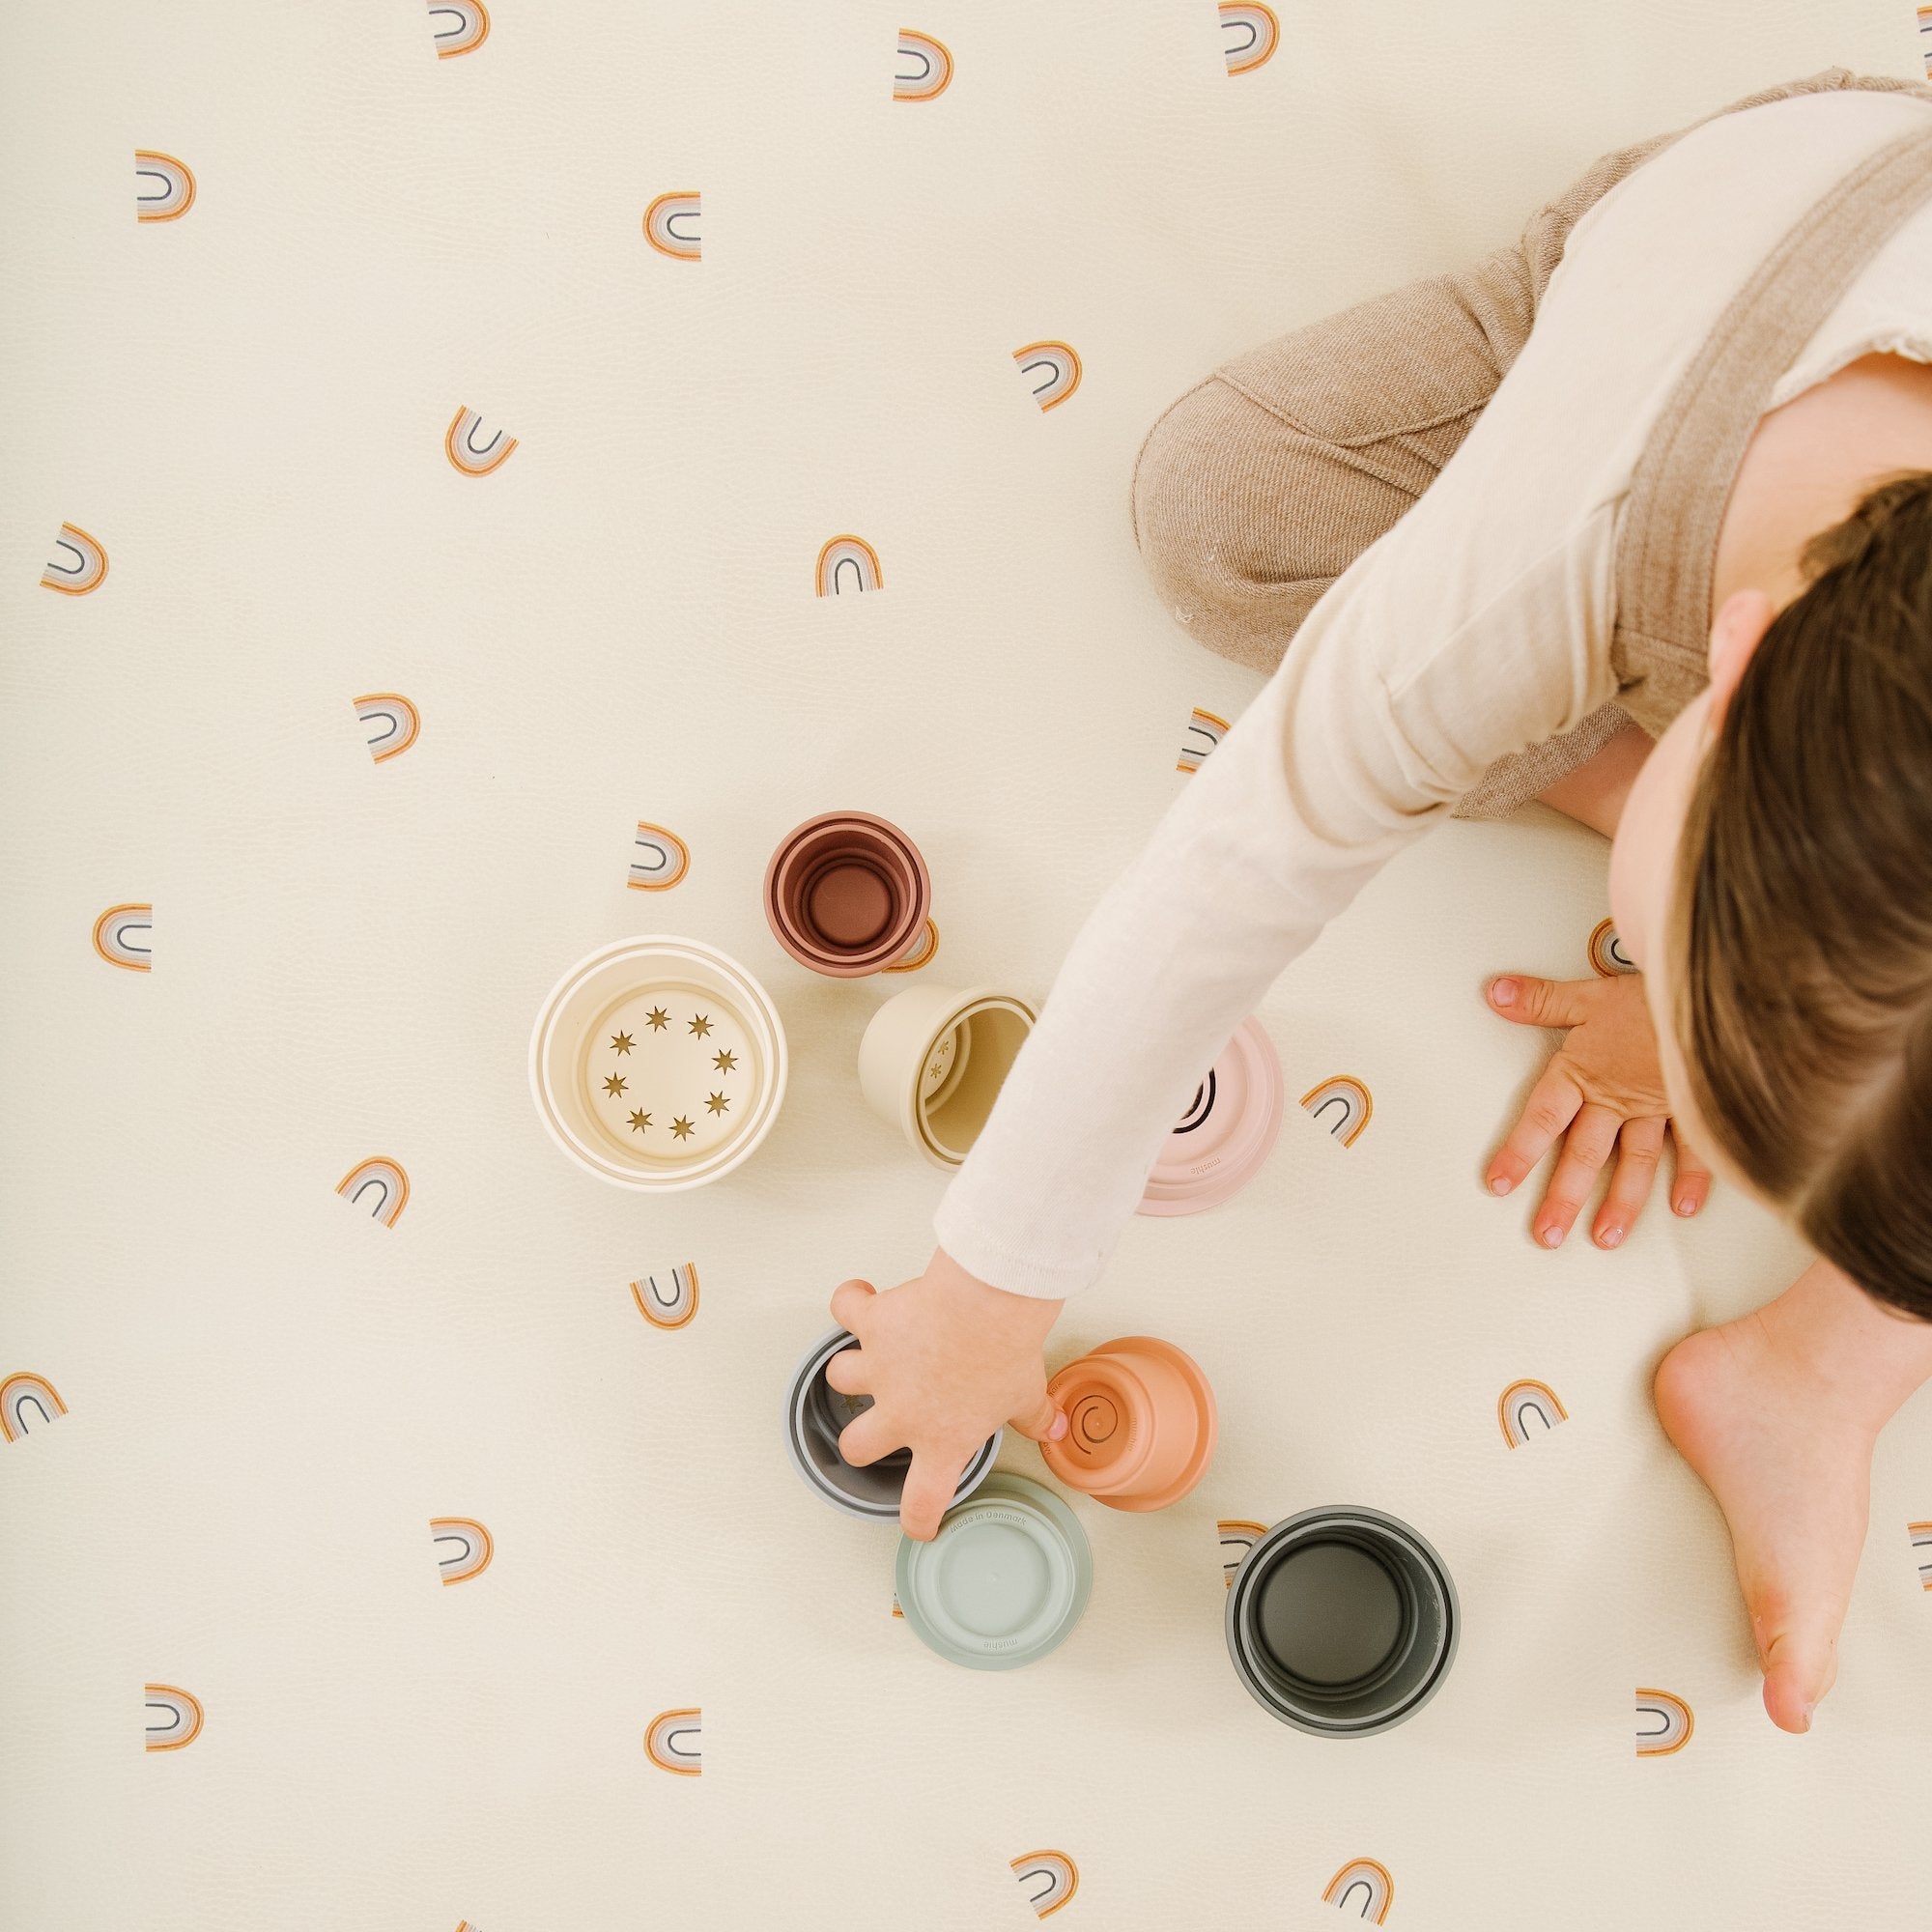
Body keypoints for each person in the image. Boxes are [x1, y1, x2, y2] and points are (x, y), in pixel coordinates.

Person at [823, 70, 1932, 1734]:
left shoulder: (1782, 697)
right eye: (1670, 940)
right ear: (1736, 664)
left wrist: (1760, 992)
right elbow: (1223, 882)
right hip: (1730, 275)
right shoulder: (1543, 556)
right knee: (1228, 513)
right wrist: (988, 1293)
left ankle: (1819, 1372)